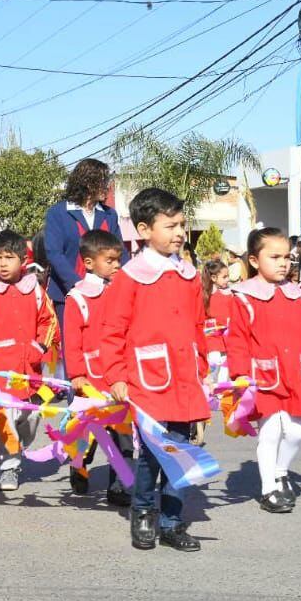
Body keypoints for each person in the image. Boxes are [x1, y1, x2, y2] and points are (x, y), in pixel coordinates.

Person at [98, 188, 208, 553]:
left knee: (180, 452)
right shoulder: (130, 277)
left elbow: (198, 327)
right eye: (170, 225)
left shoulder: (190, 275)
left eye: (181, 224)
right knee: (150, 454)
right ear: (144, 230)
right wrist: (115, 376)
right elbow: (111, 332)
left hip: (184, 379)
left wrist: (202, 371)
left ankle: (172, 521)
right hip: (147, 381)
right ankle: (143, 513)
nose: (178, 232)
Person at [226, 227, 301, 514]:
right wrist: (240, 374)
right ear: (255, 261)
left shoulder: (296, 293)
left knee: (297, 432)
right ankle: (269, 489)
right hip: (262, 377)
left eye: (287, 257)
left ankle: (281, 471)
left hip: (294, 374)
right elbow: (237, 340)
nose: (283, 263)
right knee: (269, 434)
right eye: (275, 257)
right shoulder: (243, 296)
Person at [0, 229, 57, 494]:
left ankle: (18, 448)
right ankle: (8, 466)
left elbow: (50, 321)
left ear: (23, 259)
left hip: (30, 374)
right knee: (4, 420)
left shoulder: (36, 291)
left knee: (29, 421)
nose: (3, 264)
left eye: (9, 258)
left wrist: (39, 345)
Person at [62, 228, 132, 503]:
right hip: (90, 381)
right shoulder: (78, 297)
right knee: (88, 435)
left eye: (118, 260)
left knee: (123, 434)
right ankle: (78, 465)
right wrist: (77, 374)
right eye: (110, 260)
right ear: (89, 262)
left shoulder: (123, 292)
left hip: (120, 377)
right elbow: (72, 340)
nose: (116, 265)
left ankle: (119, 486)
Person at [44, 158, 126, 326]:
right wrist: (78, 285)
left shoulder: (110, 215)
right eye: (103, 182)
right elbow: (54, 253)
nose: (107, 187)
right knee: (72, 347)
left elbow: (121, 251)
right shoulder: (58, 213)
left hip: (106, 293)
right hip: (68, 294)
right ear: (87, 182)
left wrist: (127, 282)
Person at [201, 259, 232, 385]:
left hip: (226, 341)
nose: (228, 280)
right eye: (224, 277)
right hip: (212, 342)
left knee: (225, 372)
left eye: (228, 276)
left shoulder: (229, 294)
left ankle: (222, 395)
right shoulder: (205, 296)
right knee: (213, 371)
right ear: (213, 277)